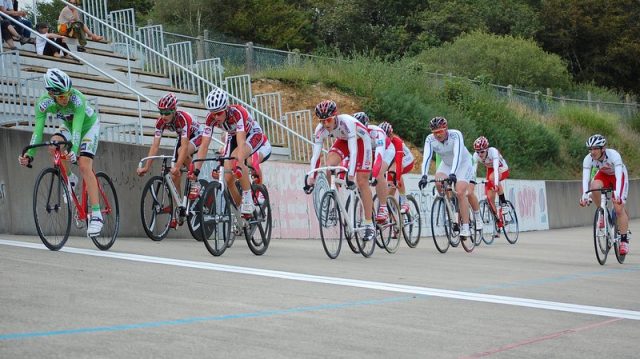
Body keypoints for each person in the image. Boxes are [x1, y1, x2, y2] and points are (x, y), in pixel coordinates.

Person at [18, 68, 103, 236]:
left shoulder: (77, 99)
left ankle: (97, 215)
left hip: (88, 127)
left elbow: (78, 128)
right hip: (69, 127)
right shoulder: (44, 103)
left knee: (85, 165)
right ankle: (70, 177)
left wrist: (74, 149)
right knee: (53, 146)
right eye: (62, 96)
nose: (66, 98)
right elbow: (38, 131)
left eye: (67, 93)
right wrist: (30, 155)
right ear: (51, 94)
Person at [192, 88, 272, 215]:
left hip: (252, 135)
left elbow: (241, 142)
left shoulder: (237, 113)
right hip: (232, 135)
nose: (216, 117)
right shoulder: (210, 119)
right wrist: (196, 170)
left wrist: (239, 162)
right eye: (213, 114)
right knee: (228, 179)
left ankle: (248, 200)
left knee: (236, 159)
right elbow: (204, 145)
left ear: (226, 109)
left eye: (219, 113)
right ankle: (243, 212)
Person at [307, 100, 375, 242]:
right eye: (322, 121)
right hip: (343, 140)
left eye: (329, 120)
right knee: (329, 166)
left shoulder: (347, 122)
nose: (326, 124)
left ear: (335, 116)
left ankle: (369, 224)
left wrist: (350, 176)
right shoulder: (320, 130)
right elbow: (315, 155)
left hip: (361, 141)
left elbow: (354, 151)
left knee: (362, 181)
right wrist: (310, 179)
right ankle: (334, 200)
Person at [136, 93, 204, 228]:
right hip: (183, 136)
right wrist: (146, 167)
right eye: (161, 112)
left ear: (174, 111)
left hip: (197, 135)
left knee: (180, 154)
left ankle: (195, 181)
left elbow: (184, 147)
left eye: (166, 112)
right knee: (174, 176)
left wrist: (178, 165)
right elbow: (155, 146)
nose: (163, 116)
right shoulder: (160, 122)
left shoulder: (182, 119)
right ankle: (179, 207)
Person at [418, 116, 480, 238]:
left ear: (446, 129)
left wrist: (453, 174)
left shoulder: (455, 135)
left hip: (463, 163)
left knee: (461, 191)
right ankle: (451, 209)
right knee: (438, 182)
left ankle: (466, 227)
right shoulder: (430, 140)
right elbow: (426, 158)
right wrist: (424, 176)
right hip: (446, 164)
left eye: (440, 131)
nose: (438, 135)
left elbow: (457, 155)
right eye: (435, 133)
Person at [579, 134, 630, 255]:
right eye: (590, 149)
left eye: (595, 148)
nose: (592, 152)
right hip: (603, 176)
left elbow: (618, 175)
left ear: (603, 149)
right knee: (594, 187)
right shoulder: (588, 159)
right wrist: (584, 196)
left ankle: (623, 241)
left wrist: (617, 193)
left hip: (619, 176)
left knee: (618, 208)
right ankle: (602, 212)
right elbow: (585, 179)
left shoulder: (614, 155)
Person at [353, 111, 391, 223]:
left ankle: (383, 207)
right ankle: (371, 212)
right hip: (370, 152)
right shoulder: (353, 134)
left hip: (386, 150)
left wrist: (374, 173)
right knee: (360, 180)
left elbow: (379, 156)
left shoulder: (376, 132)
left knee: (378, 173)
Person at [378, 121, 416, 214]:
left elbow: (398, 163)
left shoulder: (397, 141)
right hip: (391, 161)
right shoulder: (378, 141)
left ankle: (404, 201)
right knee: (390, 187)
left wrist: (397, 178)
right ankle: (392, 212)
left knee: (393, 174)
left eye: (388, 137)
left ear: (391, 135)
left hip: (406, 160)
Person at [472, 136, 510, 214]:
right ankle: (498, 222)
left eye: (482, 151)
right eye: (477, 152)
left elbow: (496, 170)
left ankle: (504, 203)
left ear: (487, 149)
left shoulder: (493, 152)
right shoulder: (475, 156)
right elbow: (473, 171)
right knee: (490, 199)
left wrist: (496, 184)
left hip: (501, 168)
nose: (479, 154)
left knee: (492, 178)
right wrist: (472, 182)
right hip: (490, 170)